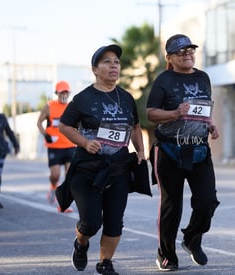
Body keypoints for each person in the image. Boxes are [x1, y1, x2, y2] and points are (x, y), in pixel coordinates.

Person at [59, 44, 145, 275]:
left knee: (115, 221)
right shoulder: (83, 99)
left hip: (117, 169)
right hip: (87, 170)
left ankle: (105, 262)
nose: (113, 65)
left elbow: (135, 127)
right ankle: (81, 242)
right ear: (95, 69)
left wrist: (140, 152)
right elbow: (64, 126)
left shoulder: (126, 98)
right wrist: (85, 142)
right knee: (91, 222)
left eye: (116, 61)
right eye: (106, 61)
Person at [146, 34, 220, 271]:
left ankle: (192, 238)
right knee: (171, 206)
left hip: (199, 147)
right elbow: (150, 113)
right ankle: (166, 255)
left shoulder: (203, 77)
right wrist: (174, 114)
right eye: (181, 52)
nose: (187, 54)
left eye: (190, 50)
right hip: (169, 149)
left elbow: (203, 108)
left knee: (207, 200)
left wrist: (210, 124)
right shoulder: (163, 80)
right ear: (170, 58)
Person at [37, 81, 76, 212]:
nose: (64, 95)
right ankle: (53, 186)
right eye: (61, 92)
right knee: (55, 175)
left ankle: (63, 204)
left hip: (70, 145)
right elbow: (39, 123)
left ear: (69, 93)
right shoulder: (49, 106)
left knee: (69, 175)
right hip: (54, 146)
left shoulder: (72, 107)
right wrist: (45, 134)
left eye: (66, 92)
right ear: (57, 93)